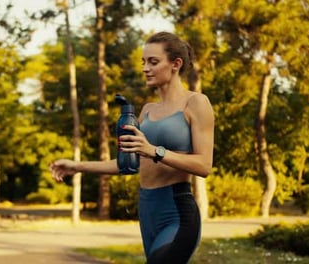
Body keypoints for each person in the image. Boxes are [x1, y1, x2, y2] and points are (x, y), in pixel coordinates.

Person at [49, 31, 215, 264]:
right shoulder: (147, 110)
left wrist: (154, 150)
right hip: (147, 211)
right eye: (144, 62)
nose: (145, 68)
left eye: (153, 62)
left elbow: (204, 165)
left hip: (176, 213)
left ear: (175, 64)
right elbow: (128, 164)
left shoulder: (196, 103)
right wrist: (77, 166)